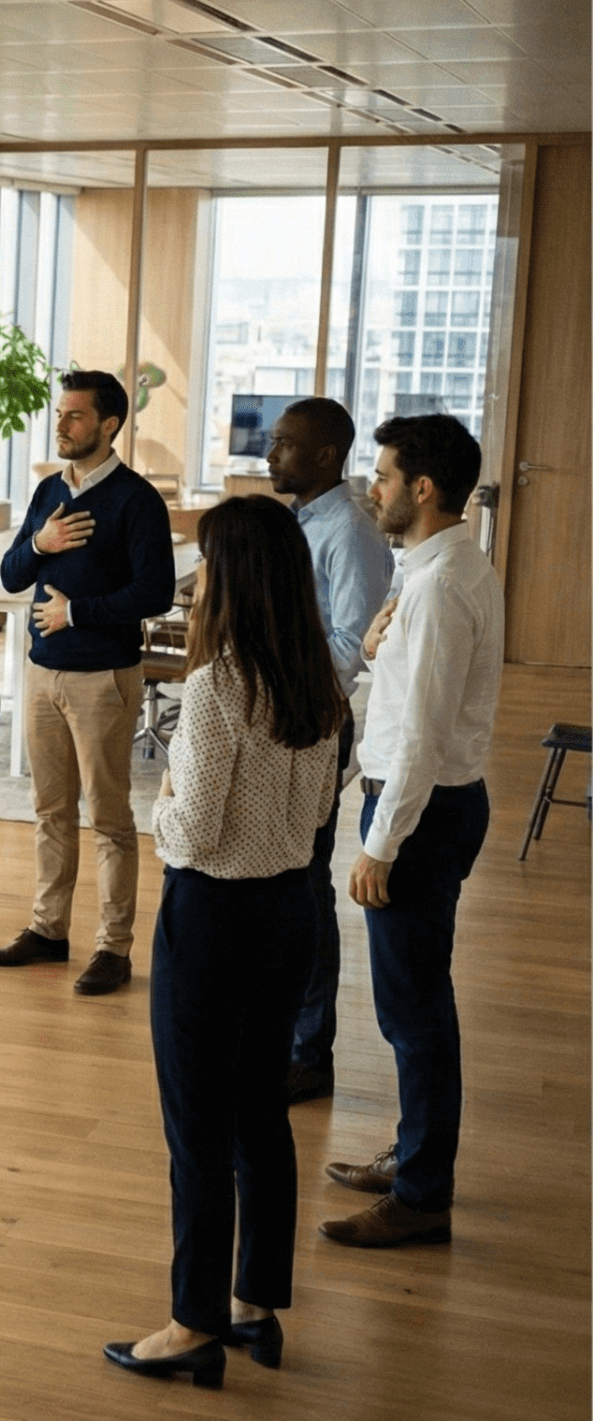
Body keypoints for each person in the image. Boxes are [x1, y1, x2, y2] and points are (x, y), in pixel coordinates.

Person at [102, 496, 344, 1390]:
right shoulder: (319, 682)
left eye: (207, 567)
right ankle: (254, 1304)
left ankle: (191, 1323)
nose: (197, 584)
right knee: (259, 1115)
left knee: (196, 1126)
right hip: (287, 915)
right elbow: (318, 818)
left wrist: (158, 803)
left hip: (210, 918)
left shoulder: (216, 686)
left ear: (233, 579)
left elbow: (193, 831)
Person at [321, 414, 502, 1249]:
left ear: (422, 489)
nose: (373, 489)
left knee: (414, 1010)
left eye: (385, 477)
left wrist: (378, 844)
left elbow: (423, 738)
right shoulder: (441, 565)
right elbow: (406, 701)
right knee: (415, 999)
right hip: (431, 801)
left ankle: (424, 1193)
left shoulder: (436, 585)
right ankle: (414, 1155)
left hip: (420, 813)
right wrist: (370, 643)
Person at [0, 369, 175, 995]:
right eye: (60, 414)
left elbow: (155, 592)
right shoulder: (46, 493)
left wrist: (77, 612)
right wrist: (40, 543)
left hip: (102, 678)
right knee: (50, 811)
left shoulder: (136, 500)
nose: (61, 425)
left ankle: (113, 948)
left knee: (112, 818)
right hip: (41, 673)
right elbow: (14, 576)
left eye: (74, 416)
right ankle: (48, 929)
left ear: (109, 424)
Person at [264, 399, 393, 1105]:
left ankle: (310, 1054)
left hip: (310, 717)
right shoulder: (297, 521)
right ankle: (282, 1036)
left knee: (306, 887)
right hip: (280, 714)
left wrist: (279, 673)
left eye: (284, 445)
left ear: (322, 457)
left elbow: (352, 646)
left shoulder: (347, 532)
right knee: (278, 880)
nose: (270, 455)